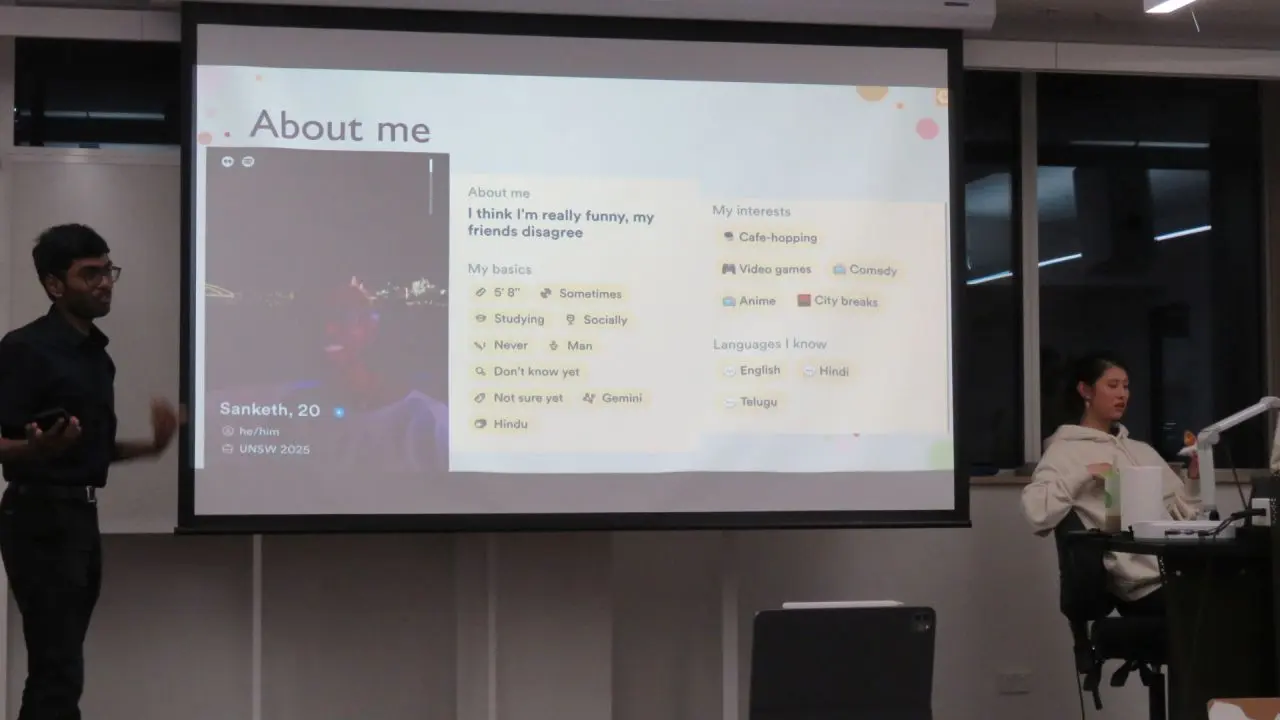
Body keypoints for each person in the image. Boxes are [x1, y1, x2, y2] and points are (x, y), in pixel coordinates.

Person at [0, 224, 182, 720]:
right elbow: (13, 445)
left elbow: (88, 448)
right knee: (56, 668)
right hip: (37, 517)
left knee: (61, 667)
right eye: (90, 274)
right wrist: (36, 448)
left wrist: (152, 447)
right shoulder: (24, 348)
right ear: (54, 285)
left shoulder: (97, 357)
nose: (105, 283)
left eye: (108, 271)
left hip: (78, 518)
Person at [1021, 353, 1197, 617]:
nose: (1122, 394)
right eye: (1112, 385)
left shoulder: (1141, 451)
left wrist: (1194, 480)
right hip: (1142, 583)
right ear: (1085, 391)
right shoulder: (1065, 452)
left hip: (1181, 569)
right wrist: (1085, 473)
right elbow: (1037, 514)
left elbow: (1189, 515)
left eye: (1125, 386)